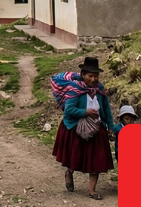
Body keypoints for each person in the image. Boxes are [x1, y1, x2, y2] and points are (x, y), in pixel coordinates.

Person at [52, 56, 114, 200]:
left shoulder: (100, 89)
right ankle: (69, 172)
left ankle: (92, 190)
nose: (93, 79)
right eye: (90, 76)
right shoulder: (75, 89)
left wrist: (110, 126)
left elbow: (106, 108)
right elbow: (69, 110)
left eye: (96, 76)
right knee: (75, 157)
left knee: (97, 159)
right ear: (83, 75)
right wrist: (85, 112)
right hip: (76, 128)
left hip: (97, 128)